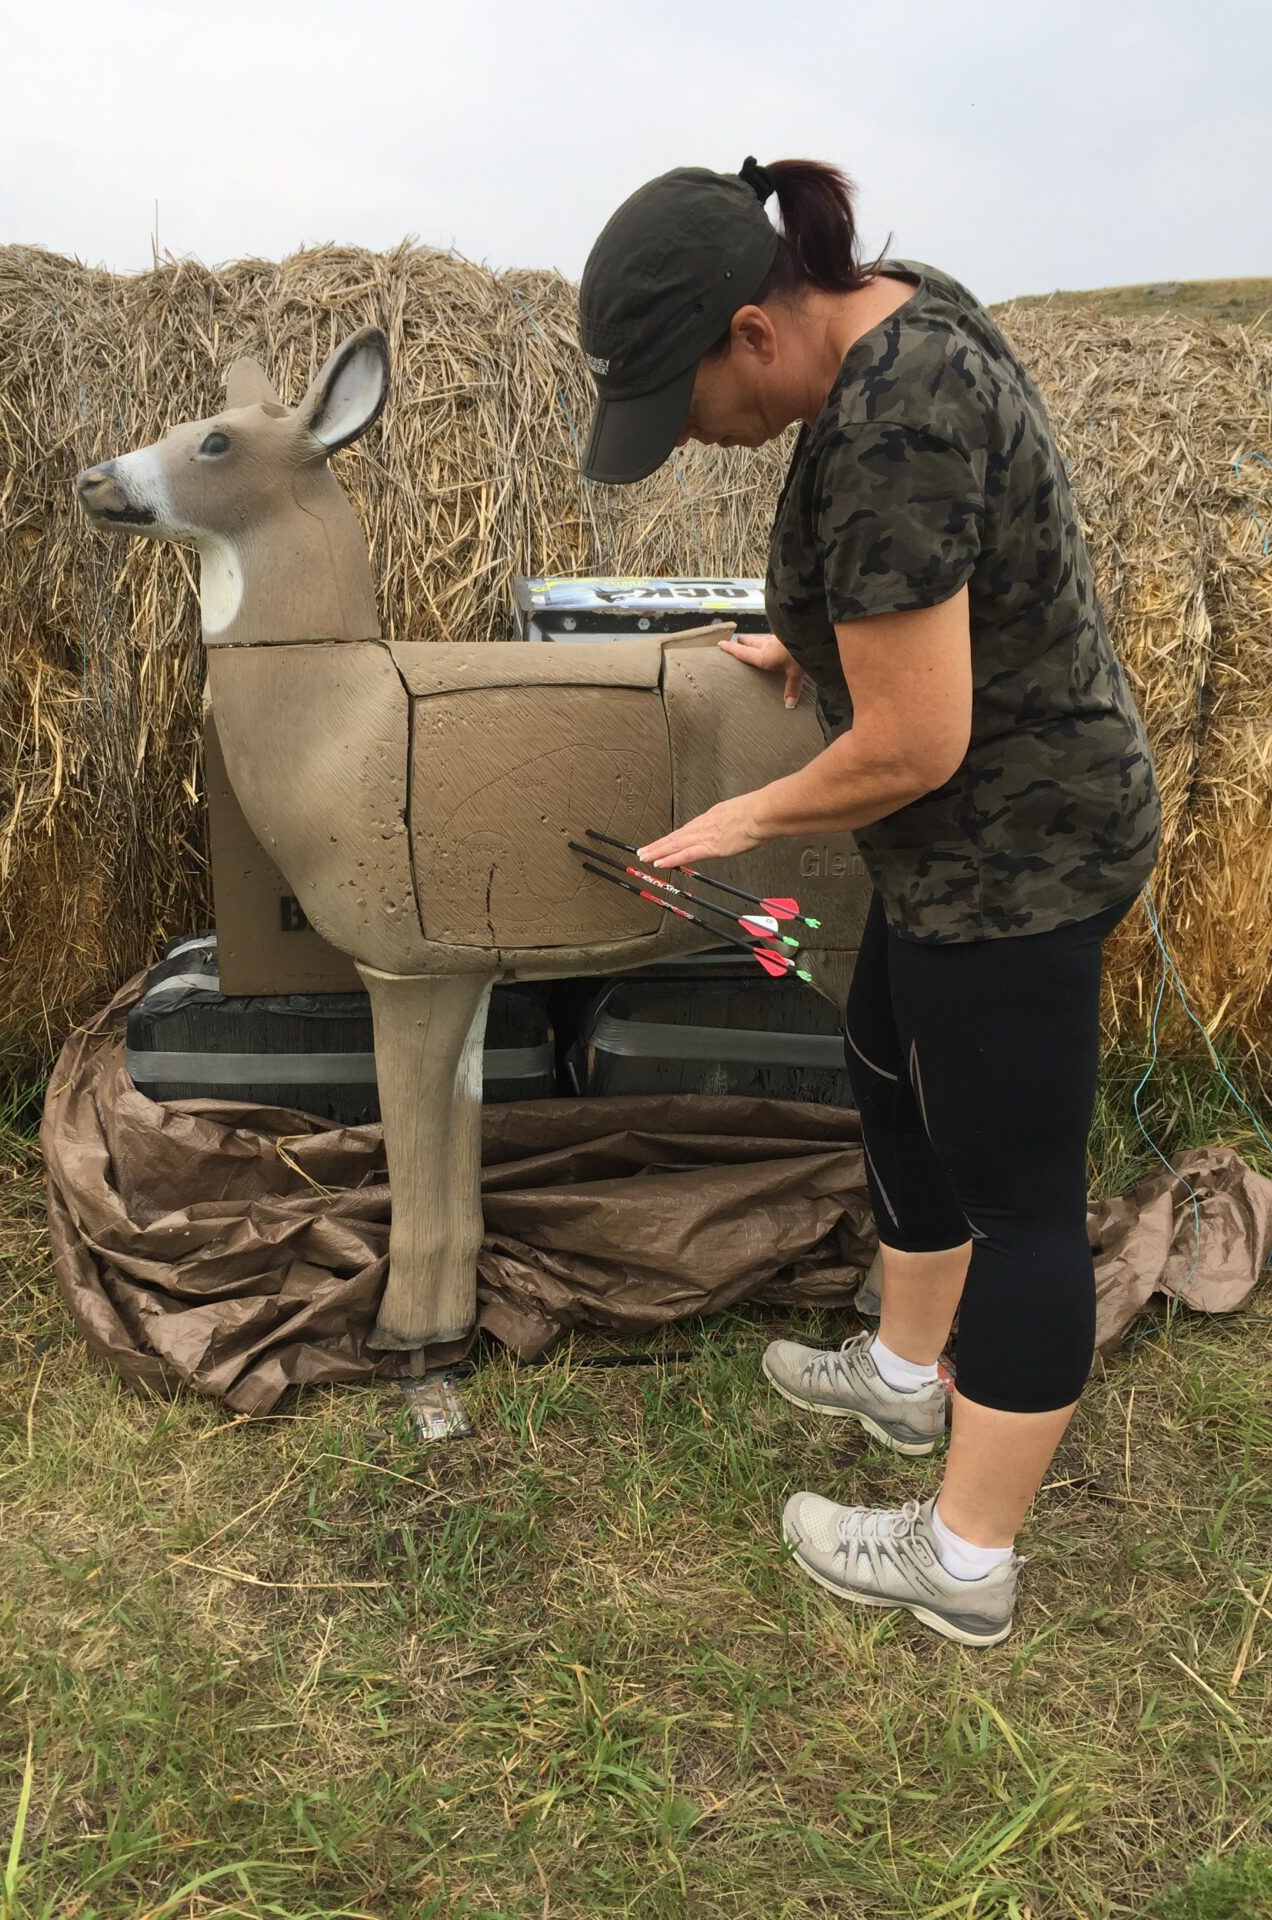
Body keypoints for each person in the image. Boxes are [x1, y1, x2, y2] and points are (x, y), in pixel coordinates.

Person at [577, 156, 1161, 1647]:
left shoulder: (897, 409)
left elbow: (919, 741)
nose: (698, 440)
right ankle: (907, 1385)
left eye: (687, 403)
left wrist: (745, 815)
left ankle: (965, 1565)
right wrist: (817, 654)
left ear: (753, 335)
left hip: (1017, 849)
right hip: (958, 839)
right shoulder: (894, 325)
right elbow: (947, 586)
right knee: (888, 1067)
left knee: (1023, 1203)